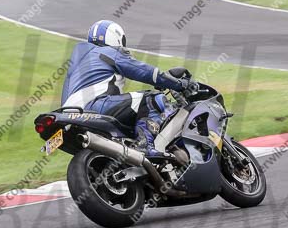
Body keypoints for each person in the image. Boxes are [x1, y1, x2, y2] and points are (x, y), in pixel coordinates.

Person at [60, 20, 192, 156]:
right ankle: (145, 145)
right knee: (152, 99)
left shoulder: (78, 61)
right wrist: (178, 84)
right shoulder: (109, 52)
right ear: (116, 37)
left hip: (67, 115)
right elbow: (143, 71)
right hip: (93, 107)